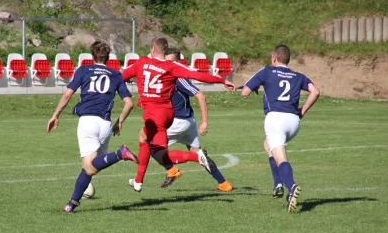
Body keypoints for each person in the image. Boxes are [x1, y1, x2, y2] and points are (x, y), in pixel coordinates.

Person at [121, 37, 236, 193]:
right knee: (145, 138)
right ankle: (223, 183)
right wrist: (222, 81)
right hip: (185, 120)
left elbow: (121, 77)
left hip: (169, 119)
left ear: (152, 49)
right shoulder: (173, 69)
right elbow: (198, 76)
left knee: (156, 150)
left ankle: (167, 171)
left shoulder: (143, 63)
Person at [47, 41, 138, 213]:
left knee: (89, 167)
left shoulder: (83, 70)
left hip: (88, 121)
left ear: (92, 56)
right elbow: (129, 103)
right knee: (90, 168)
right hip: (105, 124)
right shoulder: (116, 74)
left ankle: (120, 153)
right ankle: (71, 204)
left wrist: (55, 115)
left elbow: (67, 95)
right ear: (108, 57)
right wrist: (119, 122)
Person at [241, 44, 320, 213]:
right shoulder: (298, 75)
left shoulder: (267, 71)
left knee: (281, 158)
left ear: (274, 58)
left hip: (275, 119)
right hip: (293, 122)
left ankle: (291, 187)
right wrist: (303, 110)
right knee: (267, 145)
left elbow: (244, 92)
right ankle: (278, 185)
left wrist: (255, 87)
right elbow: (315, 92)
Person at [152, 48, 234, 192]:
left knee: (151, 147)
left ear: (178, 62)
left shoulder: (178, 78)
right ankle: (224, 183)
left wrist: (205, 122)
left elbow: (201, 96)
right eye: (166, 61)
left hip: (177, 122)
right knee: (199, 153)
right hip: (187, 122)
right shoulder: (170, 74)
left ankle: (172, 170)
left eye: (171, 61)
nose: (168, 64)